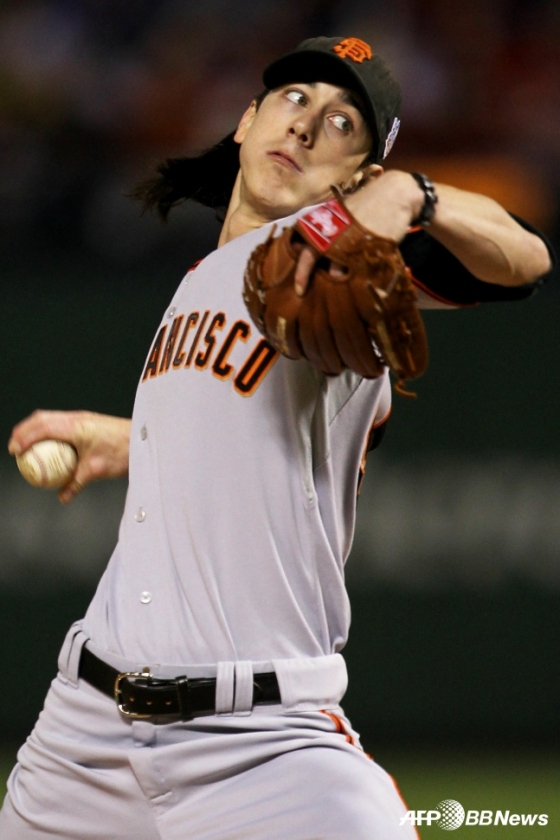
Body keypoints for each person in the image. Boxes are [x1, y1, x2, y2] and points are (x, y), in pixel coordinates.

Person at [2, 35, 555, 840]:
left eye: (342, 123)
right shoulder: (196, 280)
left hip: (262, 743)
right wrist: (133, 438)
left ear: (356, 177)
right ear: (246, 120)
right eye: (295, 99)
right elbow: (237, 431)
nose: (305, 125)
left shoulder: (335, 262)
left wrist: (413, 195)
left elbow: (526, 259)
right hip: (82, 738)